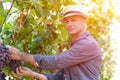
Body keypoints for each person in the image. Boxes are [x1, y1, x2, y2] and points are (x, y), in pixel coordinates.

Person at [8, 4, 102, 80]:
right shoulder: (75, 46)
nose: (69, 24)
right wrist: (32, 74)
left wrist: (20, 55)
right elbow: (58, 78)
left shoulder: (88, 44)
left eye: (74, 20)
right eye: (67, 21)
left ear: (83, 22)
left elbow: (57, 62)